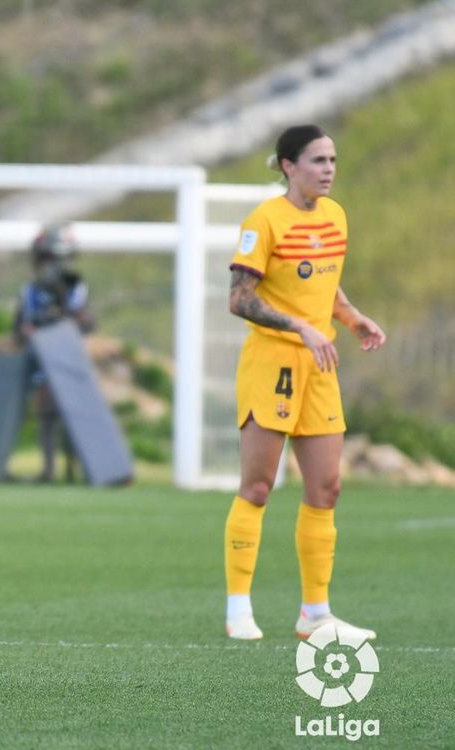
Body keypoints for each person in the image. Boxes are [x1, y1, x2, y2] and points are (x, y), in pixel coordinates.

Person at [224, 124, 385, 641]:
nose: (329, 169)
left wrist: (353, 318)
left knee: (326, 487)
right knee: (258, 486)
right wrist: (300, 327)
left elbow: (325, 284)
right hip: (273, 363)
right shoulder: (264, 221)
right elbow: (240, 299)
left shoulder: (335, 216)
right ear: (289, 166)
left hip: (320, 364)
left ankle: (315, 614)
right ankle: (238, 609)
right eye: (318, 160)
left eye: (333, 160)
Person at [13, 226, 94, 482]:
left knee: (73, 417)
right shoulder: (30, 292)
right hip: (42, 363)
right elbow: (19, 327)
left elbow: (86, 324)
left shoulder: (76, 289)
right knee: (46, 415)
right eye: (47, 259)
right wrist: (26, 331)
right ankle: (48, 469)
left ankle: (73, 469)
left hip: (70, 361)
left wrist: (70, 319)